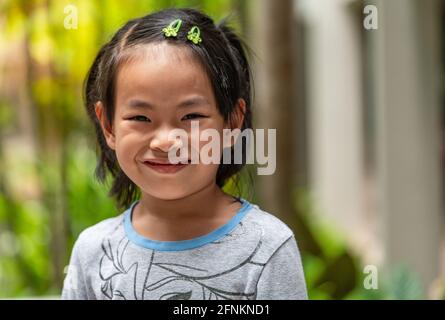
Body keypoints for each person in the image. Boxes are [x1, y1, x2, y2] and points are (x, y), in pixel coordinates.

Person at [61, 7, 307, 300]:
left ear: (232, 121)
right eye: (140, 118)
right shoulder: (94, 251)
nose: (166, 142)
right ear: (108, 125)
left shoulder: (267, 247)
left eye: (190, 116)